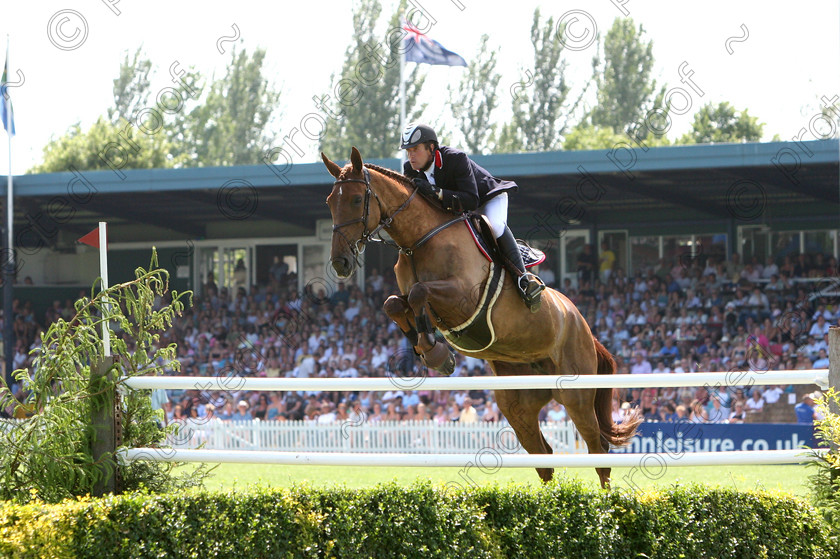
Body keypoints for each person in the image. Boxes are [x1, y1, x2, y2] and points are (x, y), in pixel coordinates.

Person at [400, 122, 545, 312]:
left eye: (415, 149)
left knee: (494, 227)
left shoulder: (455, 158)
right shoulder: (409, 170)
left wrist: (437, 192)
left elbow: (471, 200)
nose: (411, 155)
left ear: (431, 148)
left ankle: (523, 281)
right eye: (408, 150)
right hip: (457, 206)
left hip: (487, 198)